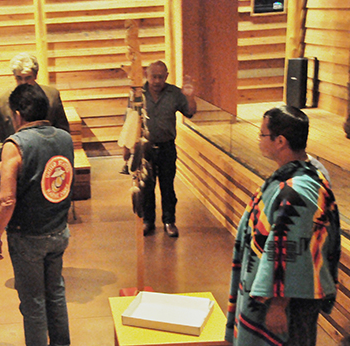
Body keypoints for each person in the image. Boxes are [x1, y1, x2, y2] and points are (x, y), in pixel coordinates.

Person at [225, 105, 341, 346]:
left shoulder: (298, 190)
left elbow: (290, 249)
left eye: (262, 134)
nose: (259, 139)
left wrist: (278, 305)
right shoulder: (294, 175)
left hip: (290, 300)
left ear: (280, 141)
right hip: (282, 294)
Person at [0, 84, 74, 346]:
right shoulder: (64, 138)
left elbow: (6, 199)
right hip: (59, 230)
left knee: (33, 303)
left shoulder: (15, 145)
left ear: (17, 114)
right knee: (56, 294)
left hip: (28, 236)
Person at [141, 60, 197, 237]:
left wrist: (189, 96)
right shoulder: (138, 93)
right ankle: (148, 221)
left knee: (167, 187)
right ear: (146, 75)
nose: (157, 81)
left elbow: (190, 112)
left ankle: (169, 221)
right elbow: (129, 119)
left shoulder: (174, 93)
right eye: (153, 77)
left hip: (167, 148)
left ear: (166, 76)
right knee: (146, 187)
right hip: (145, 148)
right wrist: (127, 148)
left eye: (160, 77)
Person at [0, 52, 69, 151]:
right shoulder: (1, 99)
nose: (23, 82)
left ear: (35, 76)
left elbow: (63, 130)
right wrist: (10, 153)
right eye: (19, 78)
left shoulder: (52, 96)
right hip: (14, 157)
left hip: (45, 153)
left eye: (28, 78)